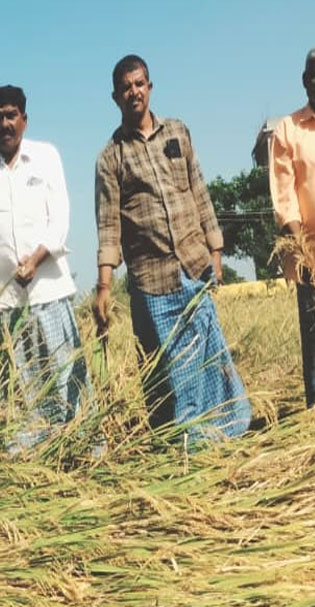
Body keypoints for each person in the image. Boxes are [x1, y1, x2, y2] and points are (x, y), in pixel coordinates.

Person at [94, 55, 250, 440]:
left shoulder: (178, 132)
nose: (134, 92)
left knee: (208, 356)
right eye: (126, 87)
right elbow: (109, 224)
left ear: (150, 87)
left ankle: (225, 431)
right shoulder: (110, 157)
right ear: (115, 97)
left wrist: (215, 252)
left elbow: (199, 191)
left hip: (194, 265)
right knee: (172, 365)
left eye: (140, 83)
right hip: (152, 279)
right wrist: (103, 286)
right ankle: (184, 443)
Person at [0, 85, 89, 450]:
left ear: (24, 120)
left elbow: (60, 220)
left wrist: (35, 260)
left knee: (67, 378)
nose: (5, 123)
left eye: (11, 115)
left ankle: (81, 451)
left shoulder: (46, 157)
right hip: (7, 305)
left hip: (51, 293)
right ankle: (29, 464)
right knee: (20, 391)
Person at [269, 44, 315, 408]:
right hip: (313, 265)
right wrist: (303, 254)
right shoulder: (287, 130)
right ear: (304, 81)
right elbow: (284, 199)